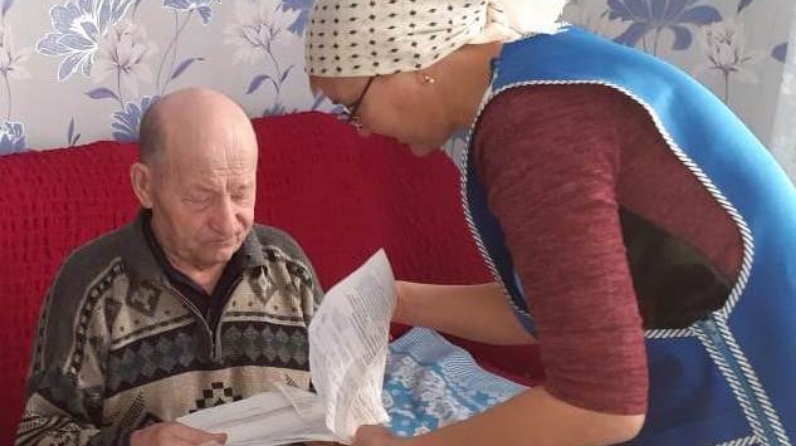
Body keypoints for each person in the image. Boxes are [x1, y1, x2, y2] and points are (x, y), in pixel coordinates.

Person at [305, 0, 796, 445]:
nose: (362, 131)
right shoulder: (552, 67)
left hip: (758, 411)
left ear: (410, 60)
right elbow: (569, 310)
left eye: (352, 107)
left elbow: (601, 406)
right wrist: (389, 300)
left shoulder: (534, 129)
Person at [15, 88, 323, 446]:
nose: (227, 222)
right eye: (200, 197)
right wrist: (134, 443)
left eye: (241, 193)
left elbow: (341, 398)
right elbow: (38, 436)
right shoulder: (90, 286)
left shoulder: (288, 267)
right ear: (145, 186)